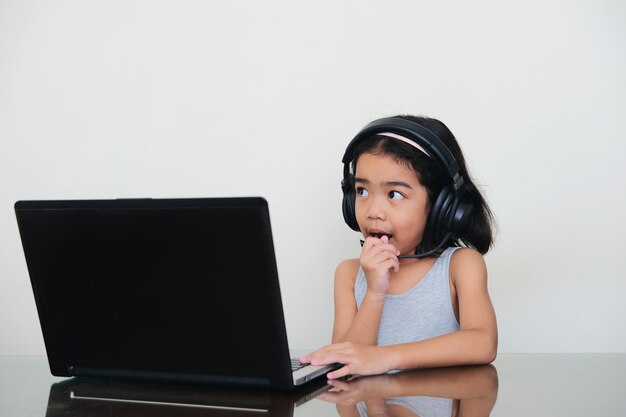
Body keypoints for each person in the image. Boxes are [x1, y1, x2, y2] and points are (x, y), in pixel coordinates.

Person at [300, 115, 497, 380]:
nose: (373, 211)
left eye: (394, 194)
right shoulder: (348, 274)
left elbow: (483, 343)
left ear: (442, 206)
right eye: (361, 191)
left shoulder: (460, 265)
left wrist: (387, 357)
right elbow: (342, 363)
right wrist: (374, 293)